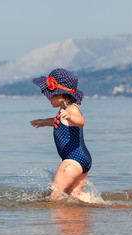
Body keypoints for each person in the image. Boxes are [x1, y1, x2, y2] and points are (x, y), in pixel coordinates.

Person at [30, 68, 92, 202]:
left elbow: (80, 121)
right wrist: (45, 122)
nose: (46, 97)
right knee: (74, 196)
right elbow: (60, 121)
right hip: (83, 159)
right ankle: (98, 205)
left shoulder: (71, 109)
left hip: (73, 160)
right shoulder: (64, 110)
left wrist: (70, 117)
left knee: (55, 192)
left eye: (48, 93)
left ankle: (53, 219)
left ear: (59, 94)